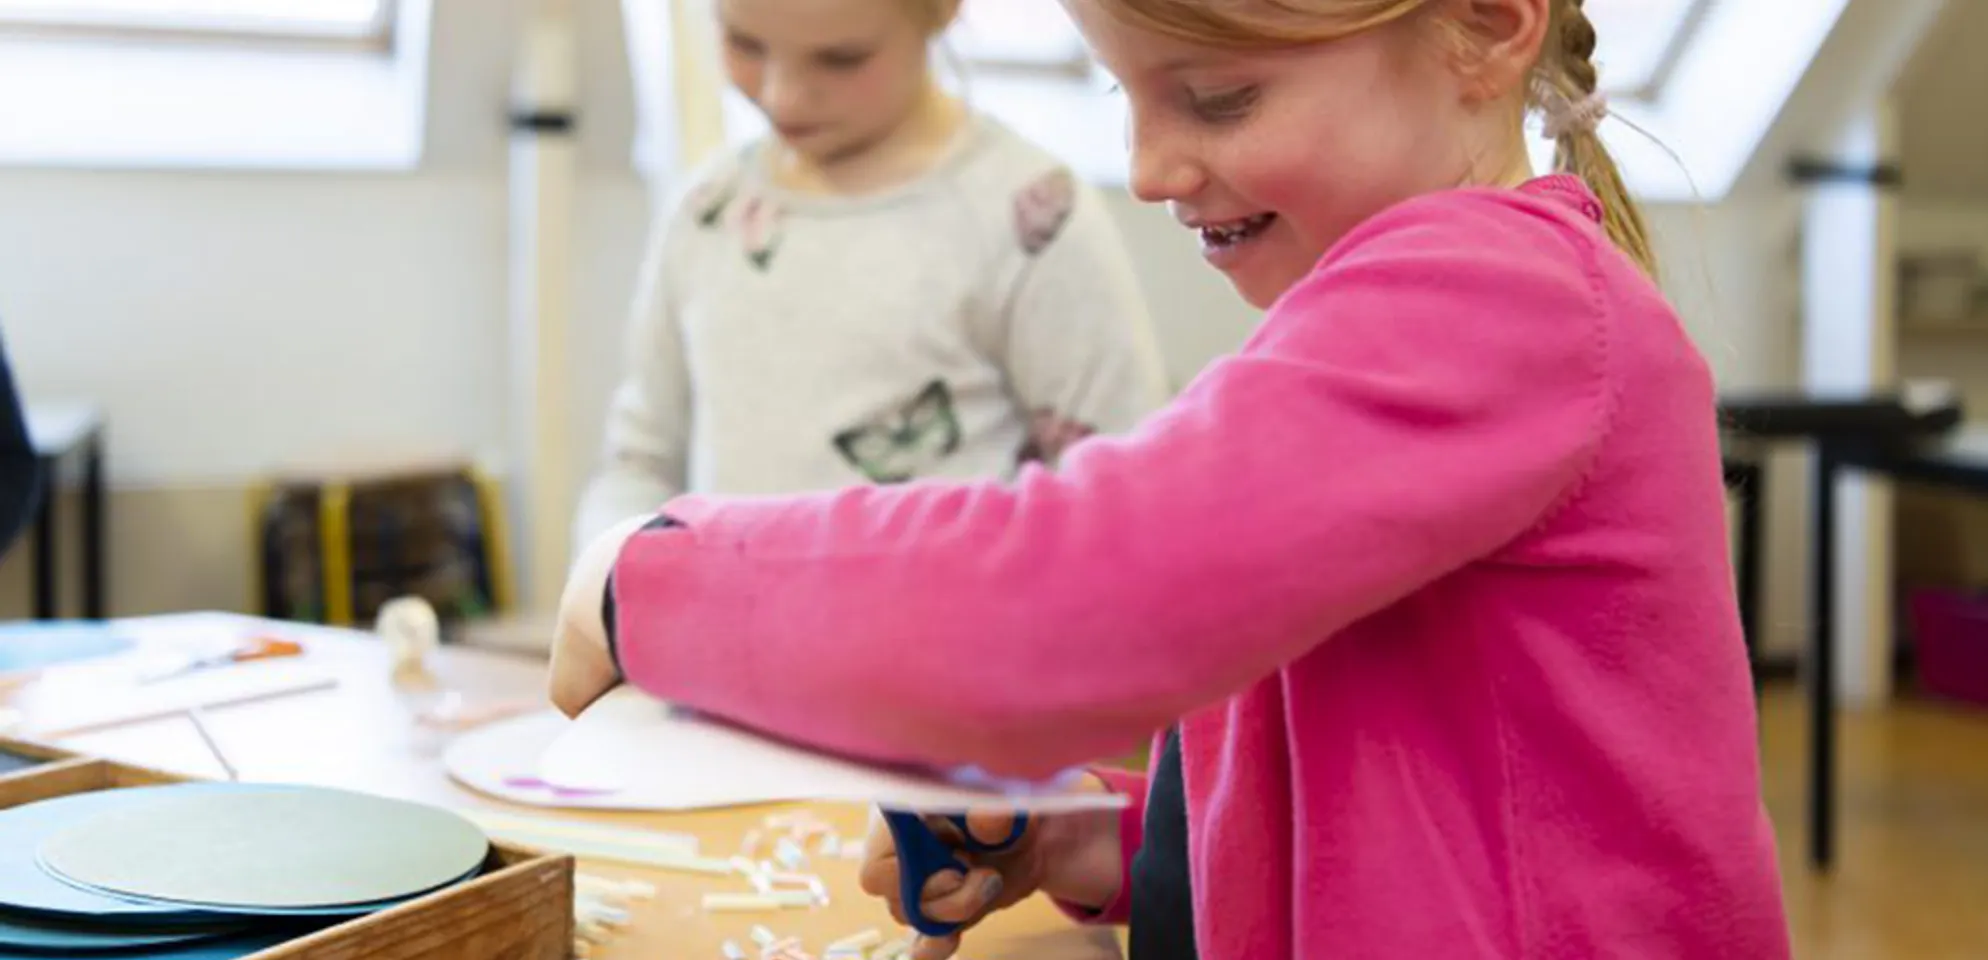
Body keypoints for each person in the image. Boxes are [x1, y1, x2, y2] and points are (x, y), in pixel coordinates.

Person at [551, 0, 1791, 957]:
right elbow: (1361, 771)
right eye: (1127, 98)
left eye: (1216, 97)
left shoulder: (1494, 299)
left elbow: (1077, 597)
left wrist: (653, 580)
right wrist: (1110, 842)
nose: (1148, 168)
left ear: (1483, 27)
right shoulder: (1410, 310)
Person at [571, 0, 1169, 549]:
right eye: (744, 43)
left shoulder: (1032, 216)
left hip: (959, 660)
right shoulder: (706, 212)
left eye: (841, 58)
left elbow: (1116, 498)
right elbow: (640, 463)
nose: (784, 96)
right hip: (719, 660)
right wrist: (612, 589)